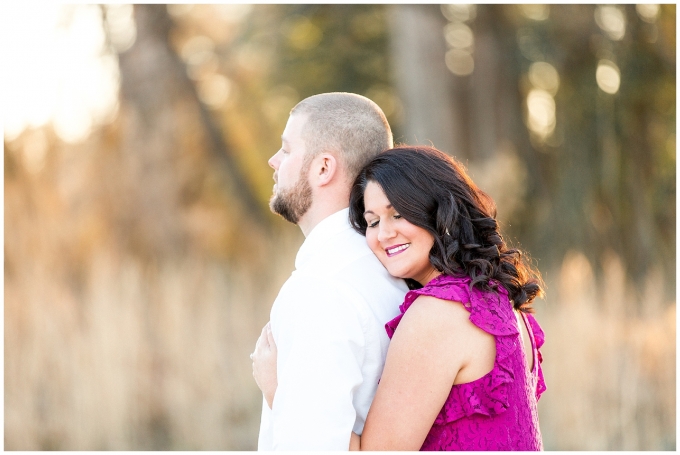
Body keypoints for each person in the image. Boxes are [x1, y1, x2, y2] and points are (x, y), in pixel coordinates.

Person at [254, 146, 546, 450]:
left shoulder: (437, 315)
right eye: (373, 221)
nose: (384, 234)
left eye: (398, 214)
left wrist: (281, 391)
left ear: (440, 212)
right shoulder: (499, 296)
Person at [252, 93, 409, 450]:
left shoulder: (320, 288)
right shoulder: (392, 268)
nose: (273, 161)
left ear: (324, 167)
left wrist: (278, 392)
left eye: (287, 150)